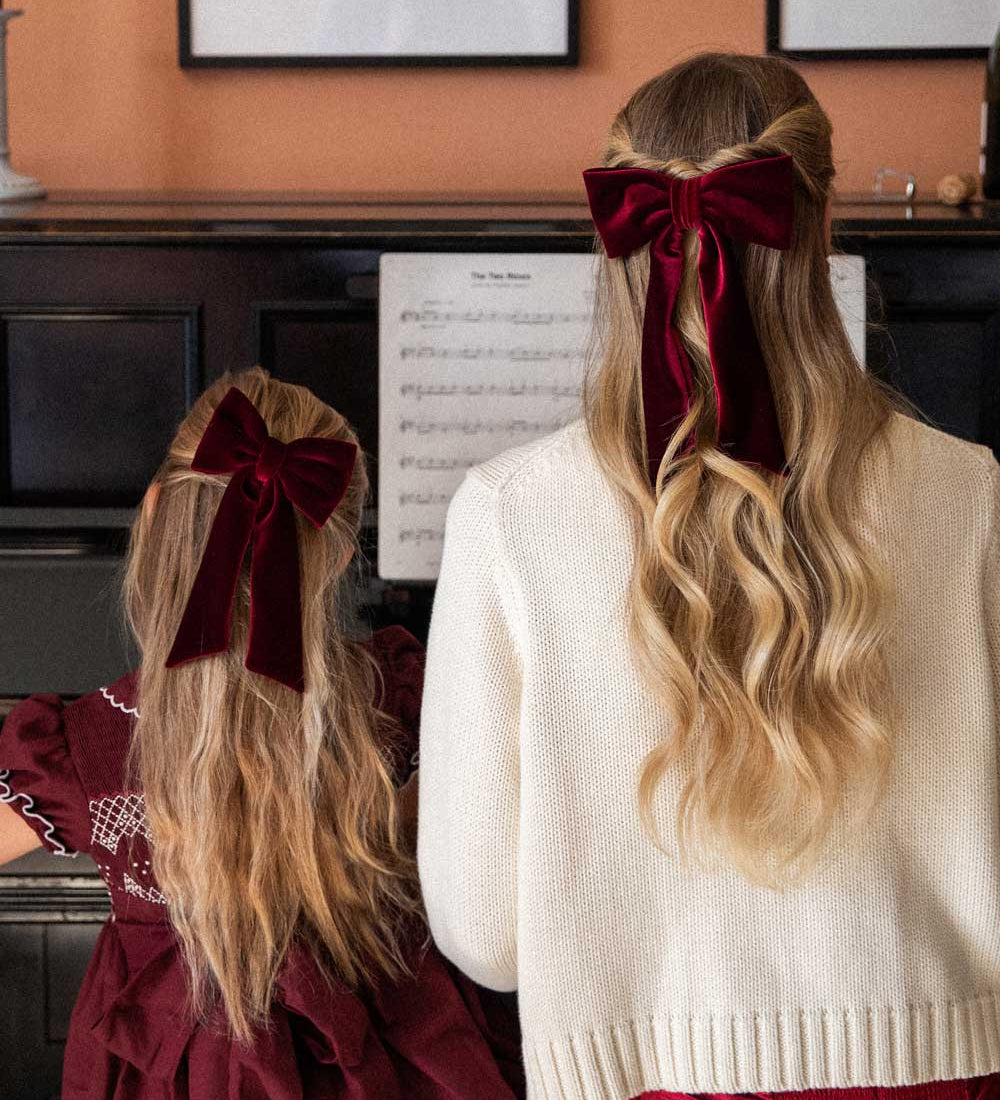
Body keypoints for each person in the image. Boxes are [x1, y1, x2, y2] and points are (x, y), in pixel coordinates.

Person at [417, 52, 1000, 1100]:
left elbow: (485, 932)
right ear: (822, 227)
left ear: (617, 242)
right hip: (934, 1066)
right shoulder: (972, 494)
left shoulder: (506, 516)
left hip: (640, 1077)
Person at [0, 368, 523, 1100]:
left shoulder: (90, 745)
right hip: (401, 1060)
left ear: (153, 512)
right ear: (343, 552)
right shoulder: (403, 696)